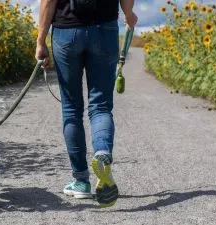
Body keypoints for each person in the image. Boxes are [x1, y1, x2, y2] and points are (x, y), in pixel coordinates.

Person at [36, 0, 138, 207]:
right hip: (104, 29)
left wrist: (41, 40)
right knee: (100, 105)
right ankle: (102, 153)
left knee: (71, 108)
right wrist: (129, 14)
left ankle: (81, 181)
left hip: (66, 30)